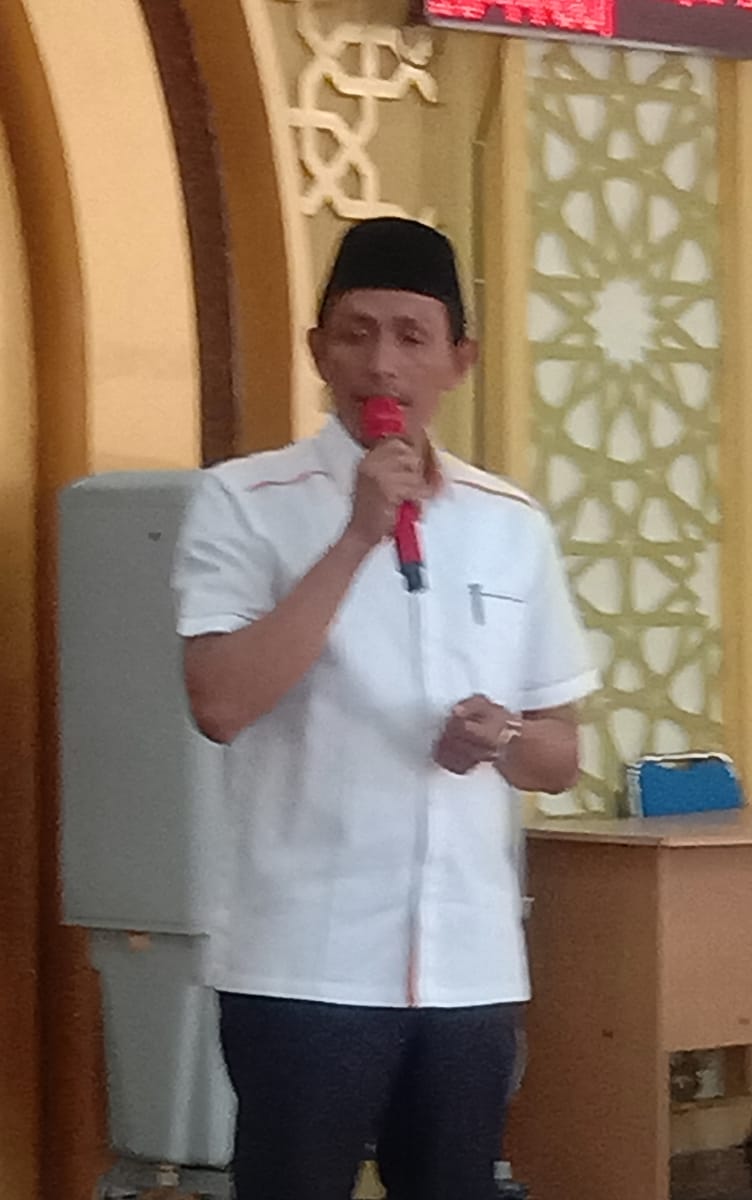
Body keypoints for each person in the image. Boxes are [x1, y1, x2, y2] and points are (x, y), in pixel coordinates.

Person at [173, 216, 598, 1200]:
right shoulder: (244, 501)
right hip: (304, 962)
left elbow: (561, 755)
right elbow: (221, 702)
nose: (382, 364)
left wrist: (503, 737)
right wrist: (359, 535)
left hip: (468, 965)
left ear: (460, 361)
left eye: (412, 336)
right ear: (317, 350)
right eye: (356, 333)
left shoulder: (510, 525)